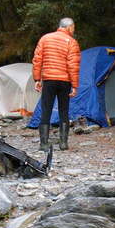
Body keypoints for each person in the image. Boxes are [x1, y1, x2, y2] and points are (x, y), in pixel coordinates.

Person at [32, 17, 81, 151]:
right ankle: (63, 143)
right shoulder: (72, 42)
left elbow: (37, 60)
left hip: (49, 80)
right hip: (64, 81)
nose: (74, 30)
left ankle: (43, 143)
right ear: (69, 27)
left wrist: (37, 79)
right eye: (73, 27)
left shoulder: (45, 39)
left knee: (46, 110)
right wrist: (75, 85)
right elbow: (73, 65)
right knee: (63, 110)